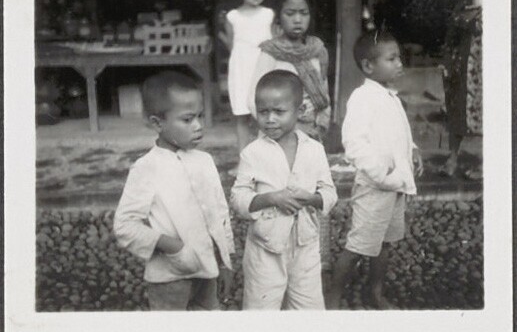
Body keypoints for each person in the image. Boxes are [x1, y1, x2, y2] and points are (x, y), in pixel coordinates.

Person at [113, 70, 235, 311]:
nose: (199, 126)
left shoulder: (204, 161)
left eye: (200, 116)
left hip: (209, 272)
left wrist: (225, 263)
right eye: (188, 120)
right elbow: (125, 226)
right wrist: (173, 247)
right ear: (157, 123)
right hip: (170, 278)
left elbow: (220, 214)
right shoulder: (147, 168)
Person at [326, 30, 424, 310]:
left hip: (395, 185)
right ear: (369, 66)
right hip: (375, 186)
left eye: (399, 58)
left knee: (384, 242)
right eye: (392, 59)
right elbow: (354, 144)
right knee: (359, 245)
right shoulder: (362, 98)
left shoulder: (389, 96)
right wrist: (383, 174)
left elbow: (399, 132)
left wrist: (413, 149)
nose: (399, 64)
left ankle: (376, 291)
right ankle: (332, 297)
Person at [231, 70, 338, 310]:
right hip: (265, 246)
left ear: (300, 111)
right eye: (263, 112)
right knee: (261, 309)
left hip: (305, 245)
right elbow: (238, 198)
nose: (270, 119)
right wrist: (270, 198)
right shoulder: (252, 153)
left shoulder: (314, 150)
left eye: (279, 112)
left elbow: (330, 194)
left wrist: (312, 199)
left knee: (308, 310)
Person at [248, 0, 331, 143]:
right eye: (290, 13)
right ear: (279, 17)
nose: (298, 19)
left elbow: (324, 94)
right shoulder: (271, 53)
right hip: (278, 135)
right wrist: (276, 126)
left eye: (304, 13)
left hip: (311, 133)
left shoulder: (317, 50)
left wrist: (321, 123)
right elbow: (253, 99)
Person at [222, 0, 275, 152]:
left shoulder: (268, 14)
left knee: (265, 112)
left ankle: (267, 155)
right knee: (242, 114)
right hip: (241, 68)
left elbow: (274, 43)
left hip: (264, 66)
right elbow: (232, 45)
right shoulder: (232, 17)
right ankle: (243, 157)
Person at [439, 0, 482, 179]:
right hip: (462, 52)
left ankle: (485, 162)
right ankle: (453, 158)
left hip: (481, 52)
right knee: (456, 103)